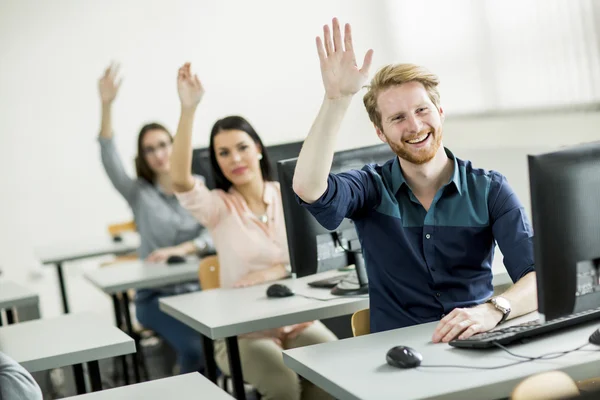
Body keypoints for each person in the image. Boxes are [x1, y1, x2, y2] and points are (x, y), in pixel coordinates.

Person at [292, 18, 537, 343]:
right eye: (397, 118)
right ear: (380, 132)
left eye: (422, 110)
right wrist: (336, 101)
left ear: (440, 111)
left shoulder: (489, 190)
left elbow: (538, 276)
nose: (415, 126)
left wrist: (494, 309)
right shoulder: (370, 189)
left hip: (475, 342)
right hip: (397, 357)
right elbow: (309, 189)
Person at [170, 62, 337, 400]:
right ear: (216, 163)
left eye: (242, 147)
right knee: (283, 384)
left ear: (258, 148)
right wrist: (188, 109)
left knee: (335, 370)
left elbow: (316, 258)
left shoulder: (289, 195)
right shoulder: (217, 207)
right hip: (244, 334)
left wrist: (280, 269)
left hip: (297, 320)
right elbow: (179, 180)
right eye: (224, 153)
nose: (235, 158)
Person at [97, 63, 213, 373]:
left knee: (224, 348)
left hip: (199, 288)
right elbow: (109, 156)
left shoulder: (197, 185)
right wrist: (106, 104)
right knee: (195, 349)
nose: (159, 154)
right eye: (150, 149)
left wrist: (186, 249)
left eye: (163, 144)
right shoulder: (139, 192)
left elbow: (214, 232)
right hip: (155, 297)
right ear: (143, 157)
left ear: (175, 145)